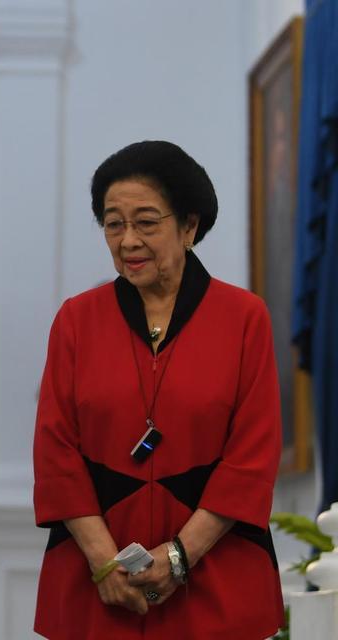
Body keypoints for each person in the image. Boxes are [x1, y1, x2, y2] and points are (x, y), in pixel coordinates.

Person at [32, 141, 285, 639]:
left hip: (217, 580)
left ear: (189, 227)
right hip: (96, 583)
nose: (128, 240)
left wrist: (179, 555)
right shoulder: (76, 320)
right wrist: (105, 562)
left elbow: (252, 455)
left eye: (146, 222)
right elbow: (55, 449)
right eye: (113, 223)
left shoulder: (244, 318)